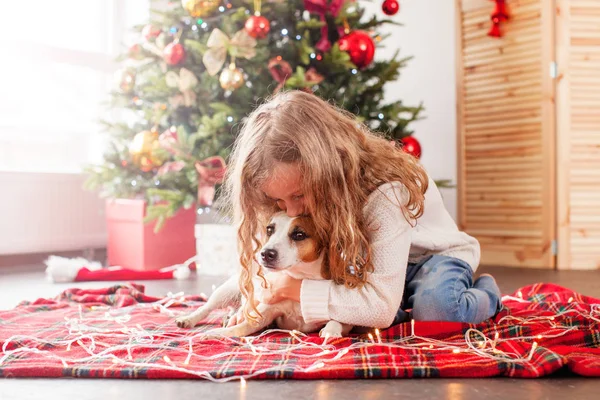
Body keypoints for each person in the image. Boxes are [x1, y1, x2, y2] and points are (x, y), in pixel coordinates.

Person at [222, 90, 501, 329]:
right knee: (363, 311)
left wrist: (294, 289)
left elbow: (377, 310)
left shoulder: (387, 191)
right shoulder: (288, 191)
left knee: (437, 313)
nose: (292, 210)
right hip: (368, 265)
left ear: (329, 171)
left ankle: (487, 292)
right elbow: (267, 260)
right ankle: (398, 302)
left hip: (429, 259)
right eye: (280, 202)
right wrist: (255, 297)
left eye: (299, 194)